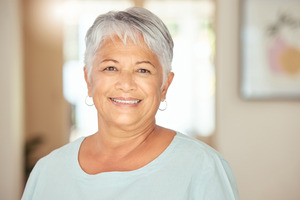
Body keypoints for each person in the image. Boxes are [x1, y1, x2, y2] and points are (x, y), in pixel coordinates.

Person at [21, 7, 239, 200]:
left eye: (143, 70)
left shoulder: (203, 167)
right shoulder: (48, 171)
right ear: (89, 80)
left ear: (164, 85)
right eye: (110, 68)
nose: (126, 84)